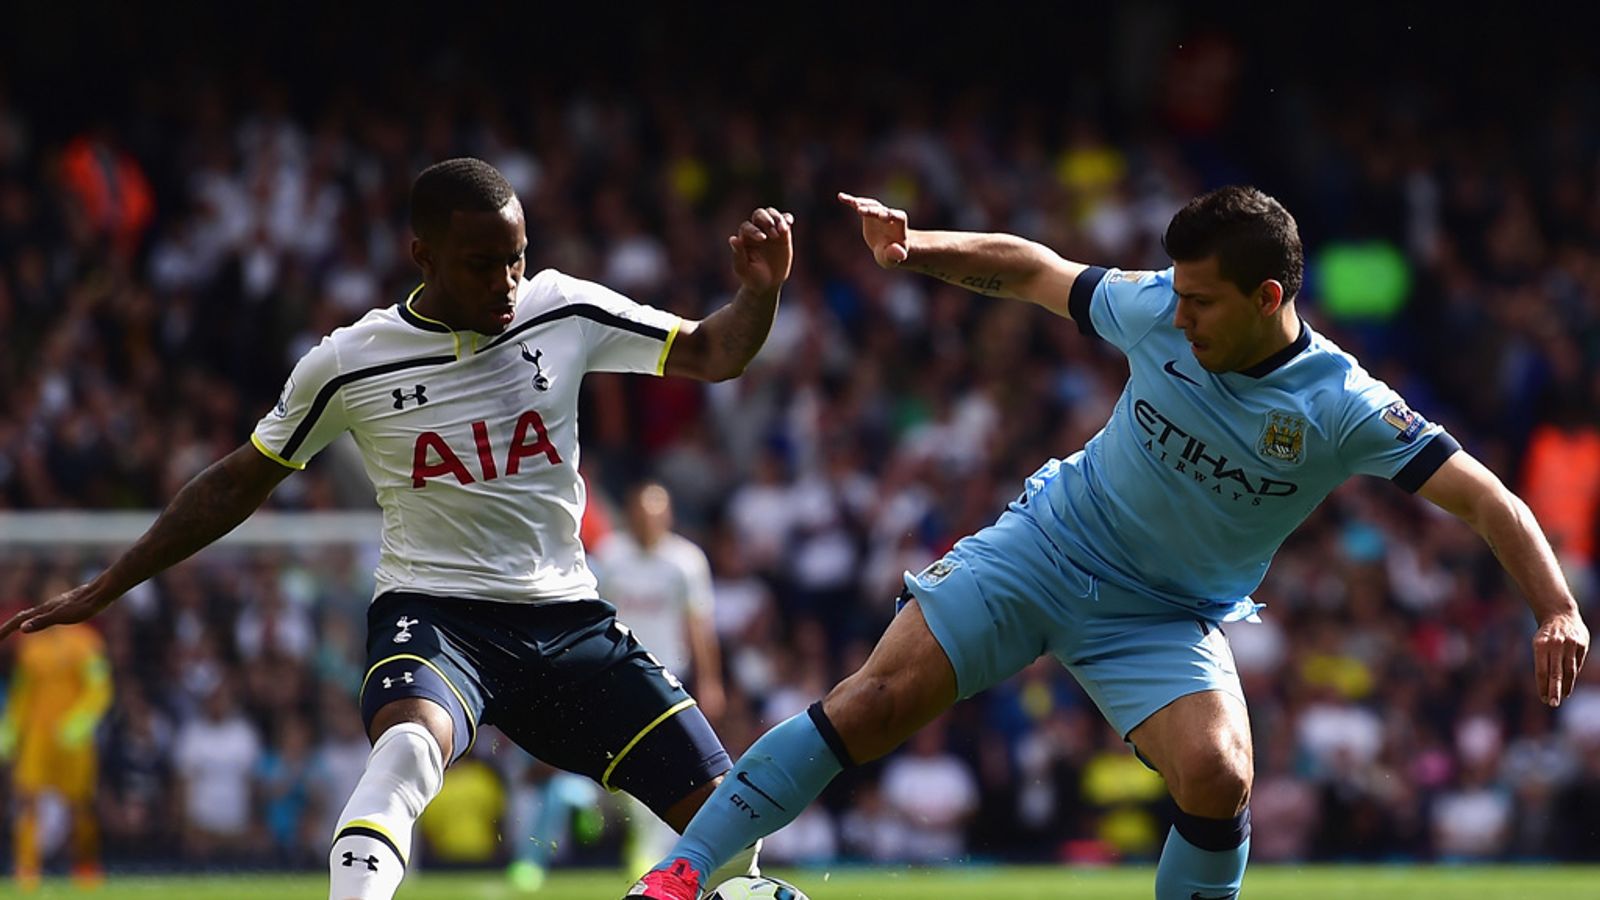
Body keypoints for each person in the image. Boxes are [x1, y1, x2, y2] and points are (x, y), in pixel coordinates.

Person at [627, 186, 1590, 900]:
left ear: (1267, 297)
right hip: (1048, 545)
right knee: (873, 702)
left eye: (1201, 301)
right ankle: (679, 877)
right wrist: (916, 248)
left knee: (1220, 776)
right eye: (1177, 293)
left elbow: (1488, 500)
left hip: (1164, 615)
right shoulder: (1158, 309)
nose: (1178, 312)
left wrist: (1555, 608)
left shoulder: (1343, 406)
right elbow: (1035, 271)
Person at [0, 157, 795, 900]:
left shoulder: (563, 308)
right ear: (423, 255)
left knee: (732, 833)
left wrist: (759, 293)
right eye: (481, 264)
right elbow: (238, 481)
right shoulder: (351, 362)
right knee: (407, 751)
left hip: (567, 618)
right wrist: (109, 585)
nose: (506, 284)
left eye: (516, 259)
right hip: (437, 614)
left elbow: (712, 352)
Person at [0, 605, 111, 889]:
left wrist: (80, 721)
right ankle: (27, 870)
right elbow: (22, 693)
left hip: (71, 737)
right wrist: (10, 729)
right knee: (28, 799)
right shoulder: (30, 648)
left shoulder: (86, 643)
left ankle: (85, 866)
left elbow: (99, 688)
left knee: (80, 804)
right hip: (38, 736)